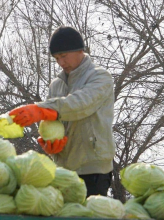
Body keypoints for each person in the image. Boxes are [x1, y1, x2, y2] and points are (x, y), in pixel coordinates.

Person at [9, 26, 116, 197]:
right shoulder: (56, 85)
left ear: (80, 50)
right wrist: (50, 144)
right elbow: (52, 121)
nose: (61, 63)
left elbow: (81, 104)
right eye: (57, 58)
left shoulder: (100, 77)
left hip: (93, 169)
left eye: (64, 56)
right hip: (62, 170)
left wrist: (41, 110)